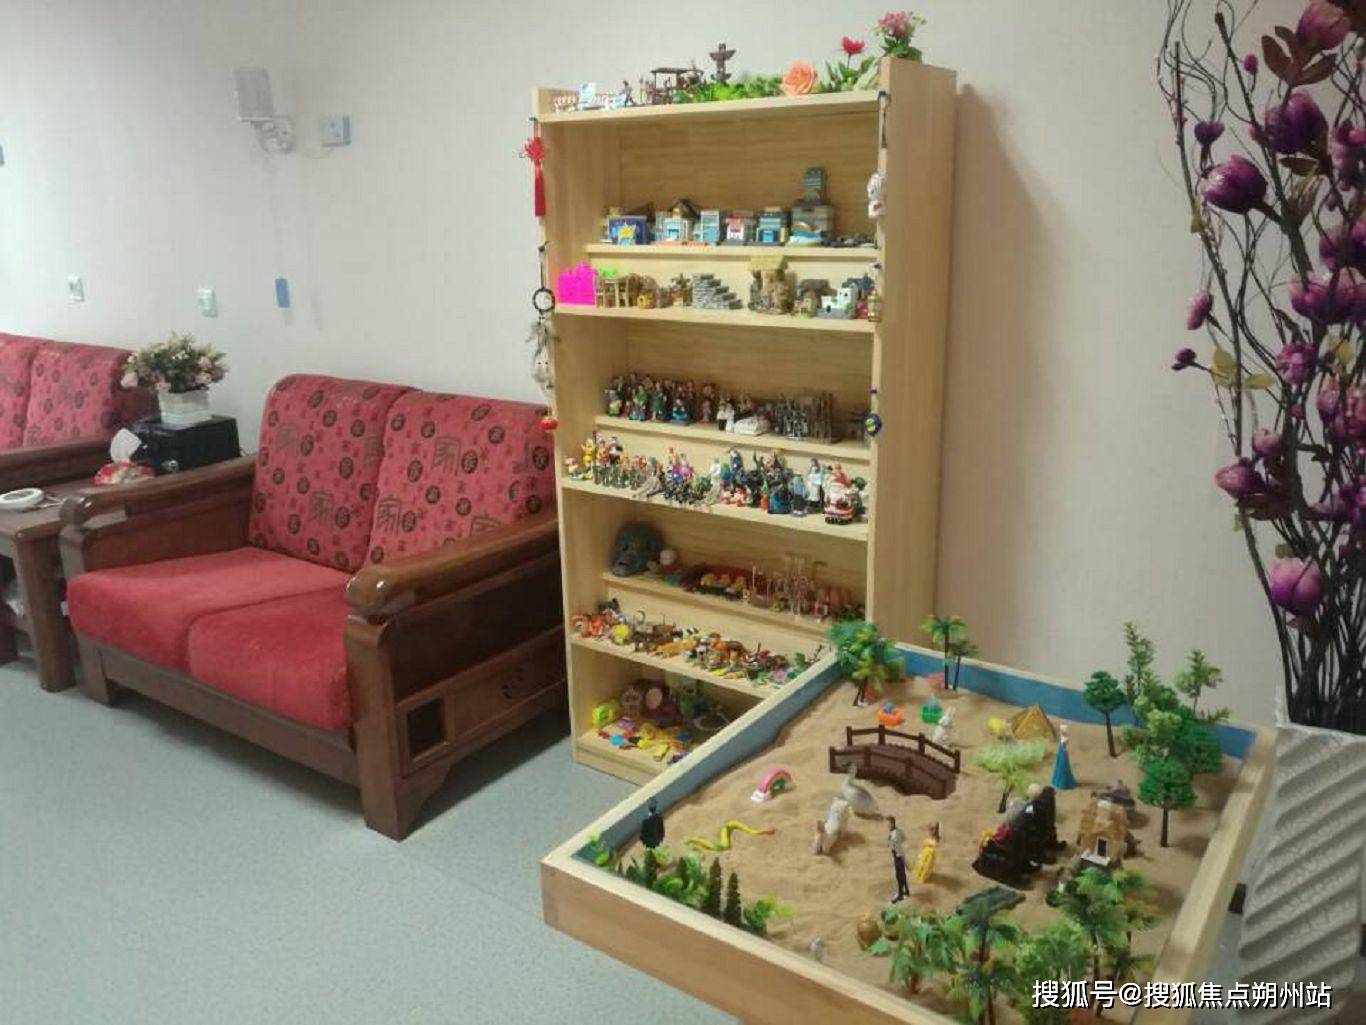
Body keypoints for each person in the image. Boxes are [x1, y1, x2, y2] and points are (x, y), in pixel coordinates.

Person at [887, 816, 910, 903]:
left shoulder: (894, 835)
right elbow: (903, 838)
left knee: (899, 875)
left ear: (892, 823)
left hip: (898, 855)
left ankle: (900, 894)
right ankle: (906, 891)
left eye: (889, 824)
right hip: (899, 855)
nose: (888, 826)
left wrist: (898, 854)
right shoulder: (899, 830)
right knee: (902, 874)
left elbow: (895, 846)